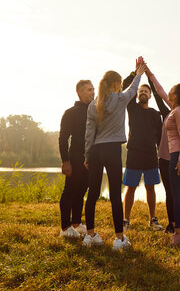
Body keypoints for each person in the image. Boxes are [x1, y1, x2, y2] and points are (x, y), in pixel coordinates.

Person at [82, 57, 146, 249]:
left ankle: (90, 235)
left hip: (95, 151)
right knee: (115, 196)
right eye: (119, 84)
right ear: (117, 84)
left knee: (92, 193)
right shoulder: (120, 98)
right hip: (111, 150)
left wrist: (87, 155)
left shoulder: (93, 104)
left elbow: (89, 133)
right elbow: (133, 89)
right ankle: (119, 239)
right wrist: (138, 74)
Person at [148, 70, 180, 245]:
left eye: (171, 90)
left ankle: (178, 232)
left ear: (175, 96)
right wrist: (148, 73)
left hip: (178, 155)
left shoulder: (177, 112)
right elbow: (160, 91)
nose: (168, 91)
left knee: (177, 194)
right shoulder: (176, 108)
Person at [121, 72, 164, 232]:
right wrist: (135, 73)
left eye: (146, 91)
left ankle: (152, 220)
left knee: (150, 187)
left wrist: (161, 156)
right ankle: (125, 221)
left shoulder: (155, 114)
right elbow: (123, 86)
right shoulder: (132, 107)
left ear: (150, 96)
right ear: (137, 95)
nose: (143, 93)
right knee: (130, 187)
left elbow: (160, 139)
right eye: (140, 92)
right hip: (134, 155)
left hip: (151, 156)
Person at [58, 79, 94, 238]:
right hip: (74, 157)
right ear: (79, 92)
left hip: (90, 158)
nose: (92, 92)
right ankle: (65, 228)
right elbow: (63, 138)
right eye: (88, 90)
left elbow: (114, 90)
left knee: (81, 191)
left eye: (93, 89)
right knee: (70, 191)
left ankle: (76, 224)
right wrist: (65, 161)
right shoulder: (70, 112)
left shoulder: (94, 111)